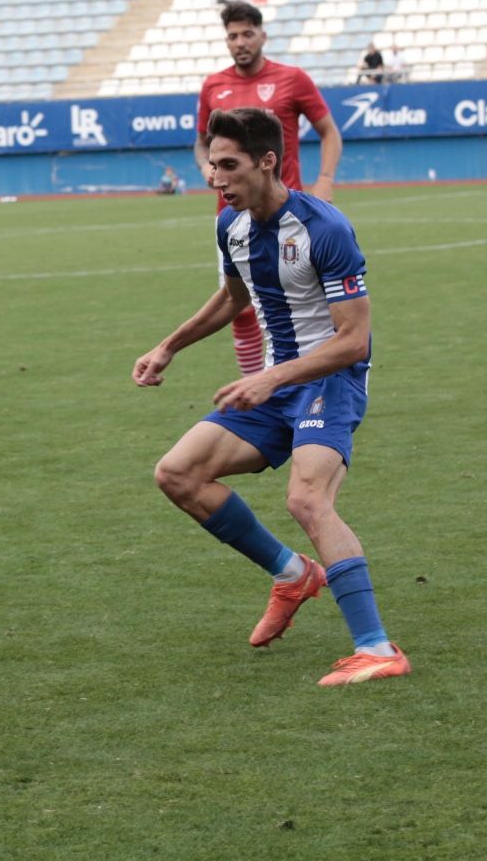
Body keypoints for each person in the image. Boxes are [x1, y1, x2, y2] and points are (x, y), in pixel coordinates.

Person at [133, 107, 410, 688]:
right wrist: (168, 346)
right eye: (212, 165)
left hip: (328, 381)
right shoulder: (229, 225)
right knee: (177, 474)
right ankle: (293, 574)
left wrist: (272, 378)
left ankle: (377, 647)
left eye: (228, 166)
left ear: (267, 162)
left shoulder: (324, 228)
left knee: (307, 499)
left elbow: (353, 341)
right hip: (276, 382)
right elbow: (232, 298)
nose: (216, 178)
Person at [196, 1, 343, 378]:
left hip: (291, 217)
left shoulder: (292, 79)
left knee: (311, 306)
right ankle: (254, 385)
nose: (240, 42)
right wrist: (205, 167)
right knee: (241, 305)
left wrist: (325, 179)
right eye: (233, 35)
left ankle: (324, 381)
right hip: (234, 219)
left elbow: (329, 132)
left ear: (262, 35)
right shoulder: (214, 85)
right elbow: (201, 142)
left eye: (247, 33)